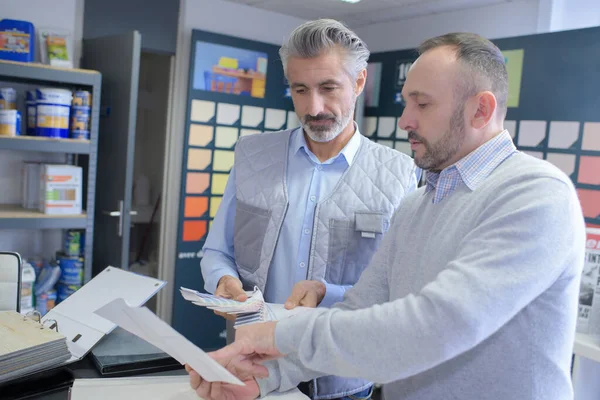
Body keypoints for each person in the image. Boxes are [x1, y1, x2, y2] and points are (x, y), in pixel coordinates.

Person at [188, 32, 586, 400]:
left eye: (423, 104)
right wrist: (263, 379)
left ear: (481, 109)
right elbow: (357, 313)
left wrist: (280, 334)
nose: (405, 120)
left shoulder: (534, 194)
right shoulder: (418, 205)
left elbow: (436, 325)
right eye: (407, 102)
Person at [199, 19, 419, 400]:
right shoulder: (252, 157)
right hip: (253, 367)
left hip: (342, 378)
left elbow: (401, 290)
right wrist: (223, 283)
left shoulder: (400, 174)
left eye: (328, 88)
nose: (314, 107)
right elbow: (217, 251)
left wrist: (328, 294)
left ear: (360, 82)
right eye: (300, 90)